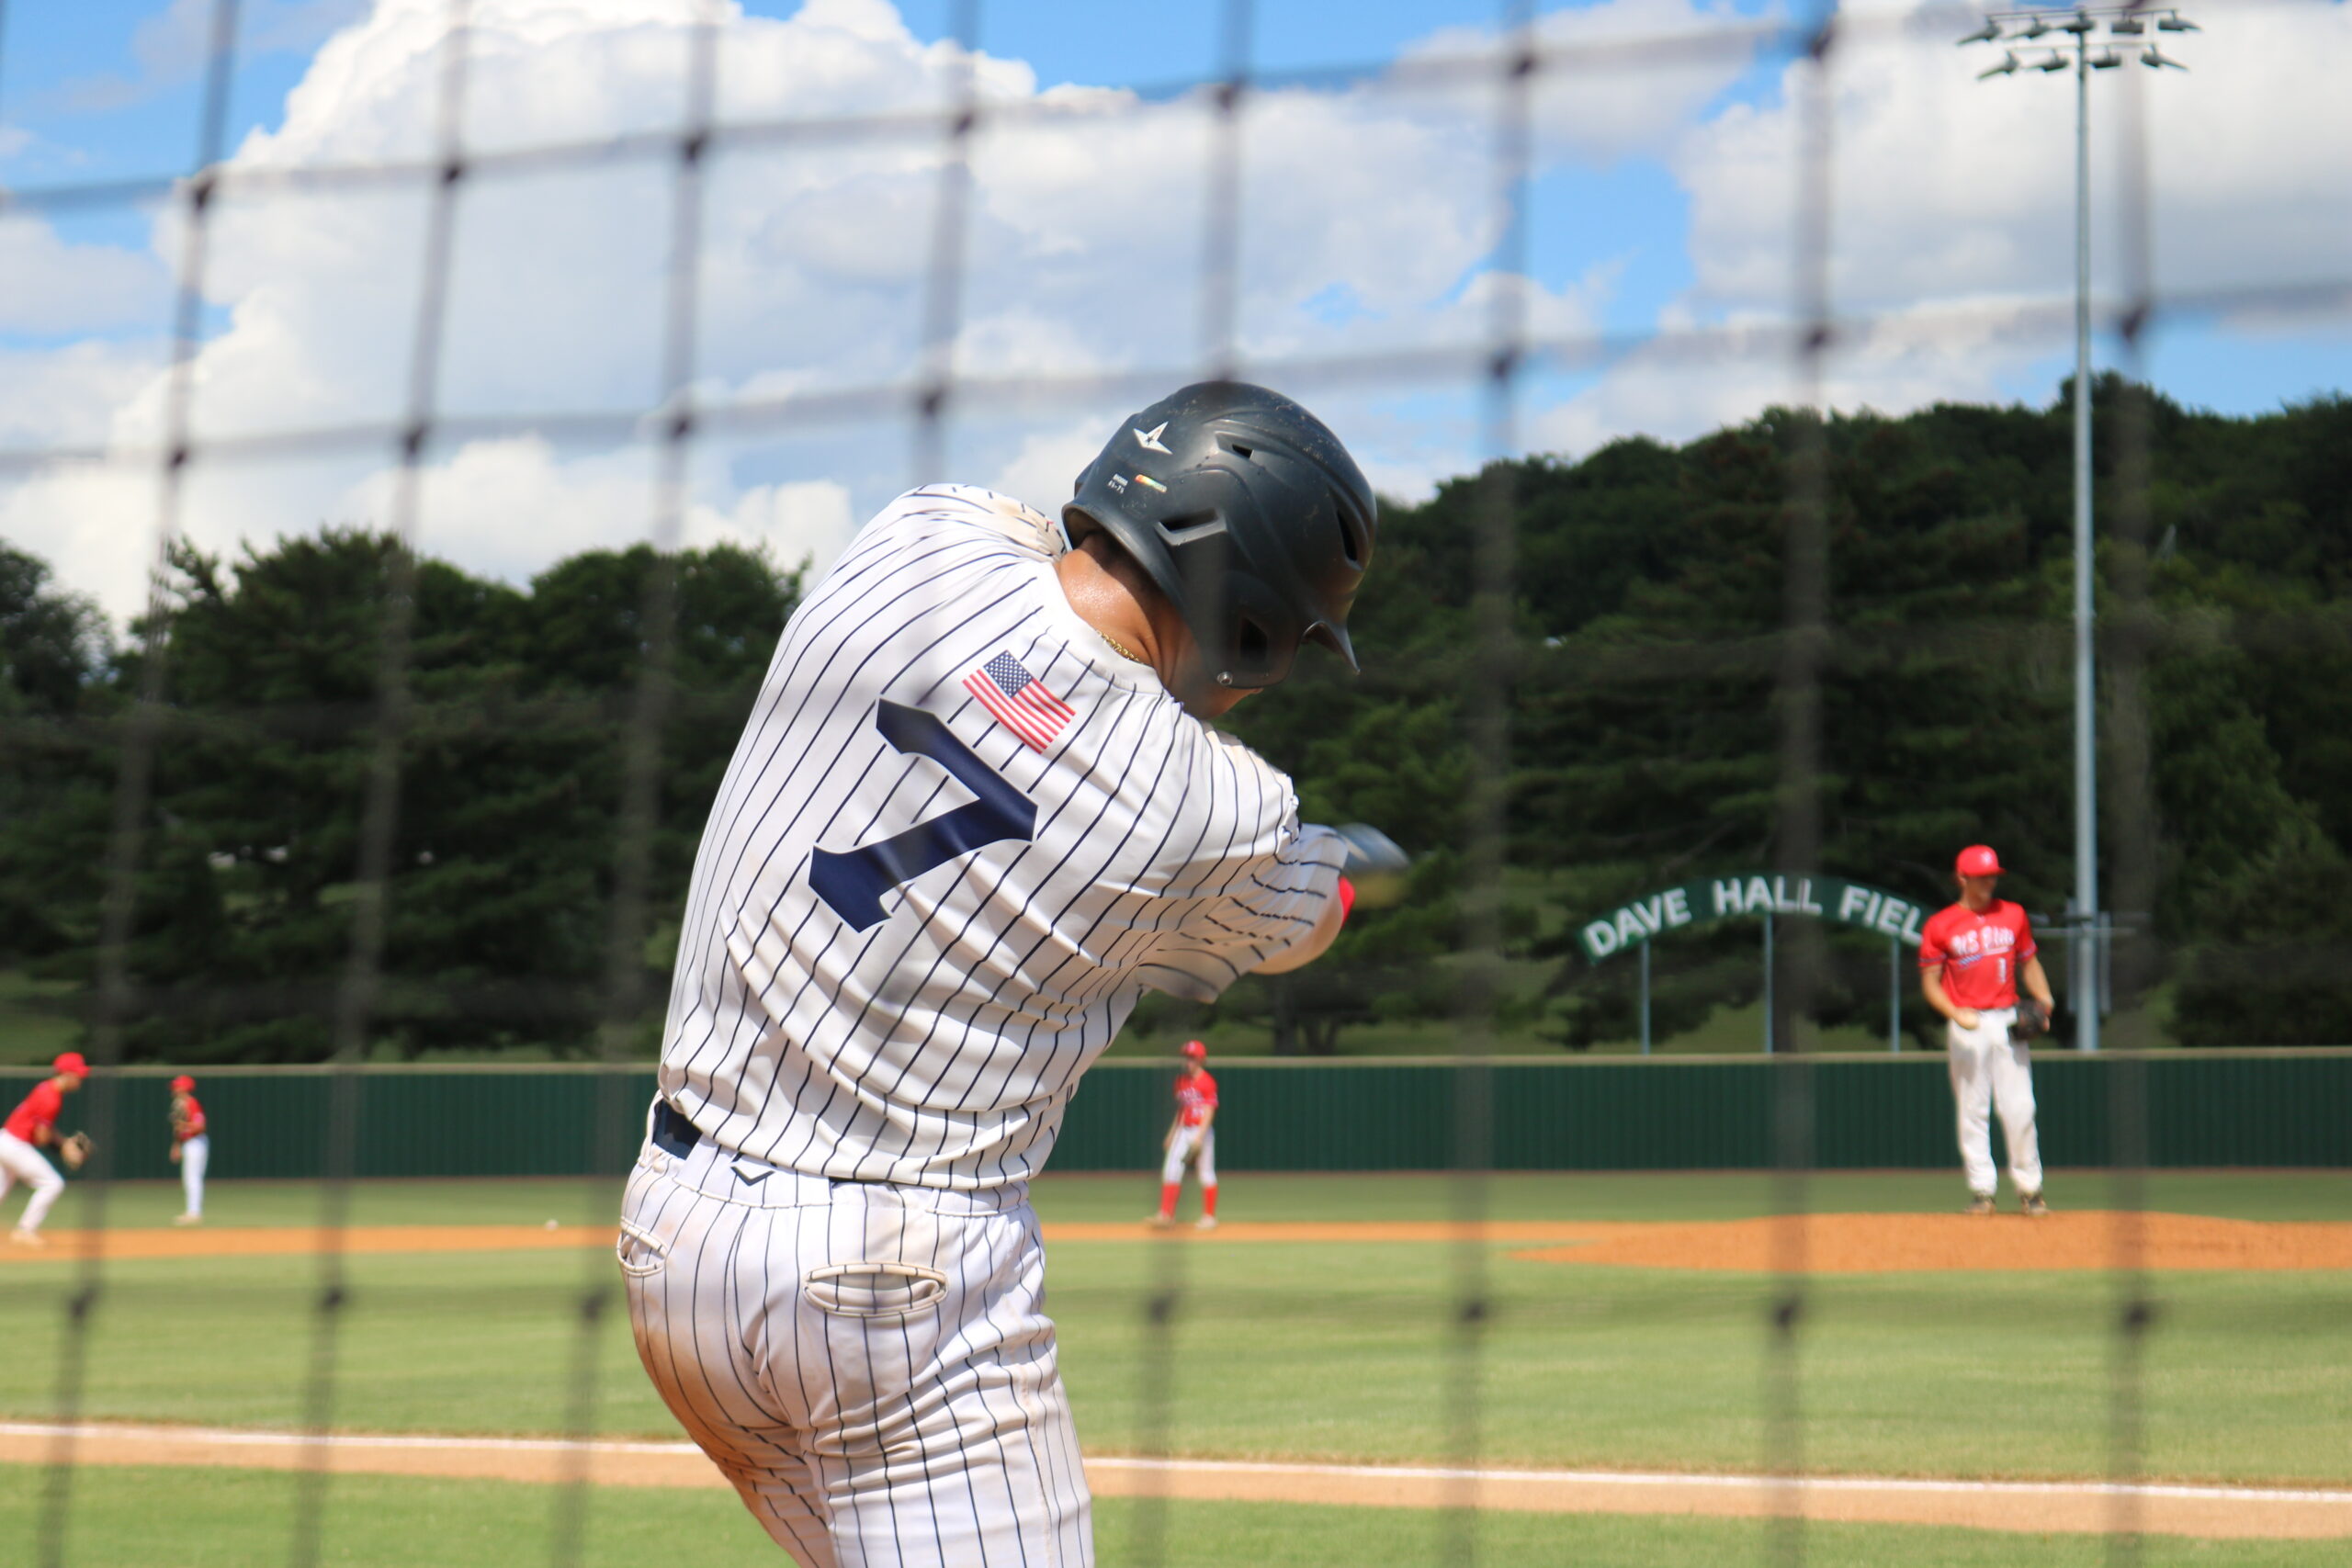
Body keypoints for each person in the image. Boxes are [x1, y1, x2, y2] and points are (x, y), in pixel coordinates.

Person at [620, 380, 1376, 1566]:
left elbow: (1031, 585)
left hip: (676, 1247)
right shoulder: (1217, 805)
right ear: (1254, 615)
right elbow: (1298, 914)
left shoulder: (917, 540)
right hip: (900, 1284)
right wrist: (1361, 871)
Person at [1919, 844, 2054, 1216]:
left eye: (1993, 874)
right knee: (1972, 1109)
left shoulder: (2013, 915)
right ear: (1961, 879)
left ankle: (2031, 1189)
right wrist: (1953, 1011)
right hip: (1968, 1021)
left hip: (2007, 1018)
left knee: (2020, 1108)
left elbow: (2029, 963)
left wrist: (2044, 1000)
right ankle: (1983, 1191)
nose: (1990, 881)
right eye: (1982, 876)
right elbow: (1930, 982)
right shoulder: (1941, 924)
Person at [2, 1052, 88, 1246]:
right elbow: (42, 1137)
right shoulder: (52, 1098)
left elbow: (45, 1129)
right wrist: (64, 1148)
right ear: (66, 1074)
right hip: (15, 1145)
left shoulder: (46, 1088)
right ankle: (25, 1230)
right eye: (78, 1074)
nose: (81, 1078)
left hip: (5, 1140)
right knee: (52, 1183)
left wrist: (65, 1143)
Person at [1153, 1040, 1220, 1229]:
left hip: (1201, 1131)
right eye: (1186, 1057)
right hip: (1183, 1130)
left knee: (1205, 1172)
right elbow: (1182, 1110)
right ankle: (1166, 1215)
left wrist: (1200, 1136)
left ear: (1200, 1059)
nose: (1187, 1061)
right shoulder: (1181, 1081)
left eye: (1191, 1057)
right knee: (1171, 1169)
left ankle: (1209, 1217)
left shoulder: (1207, 1081)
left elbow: (1209, 1110)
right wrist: (1171, 1134)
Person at [169, 1075, 209, 1225]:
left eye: (177, 1086)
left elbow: (200, 1126)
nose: (174, 1089)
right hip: (188, 1142)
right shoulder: (179, 1104)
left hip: (196, 1142)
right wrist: (176, 1146)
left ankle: (194, 1212)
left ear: (184, 1088)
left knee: (193, 1178)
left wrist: (184, 1126)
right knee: (189, 1178)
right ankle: (192, 1211)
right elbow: (178, 1130)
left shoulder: (191, 1103)